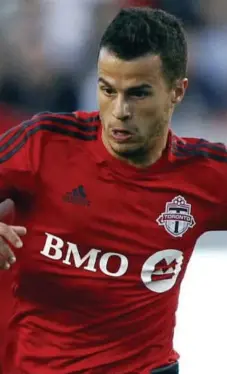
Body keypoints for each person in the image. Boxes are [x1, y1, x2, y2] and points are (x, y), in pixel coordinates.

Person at [0, 7, 226, 374]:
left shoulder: (205, 174)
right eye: (107, 89)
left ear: (177, 91)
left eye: (139, 94)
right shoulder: (44, 145)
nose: (119, 111)